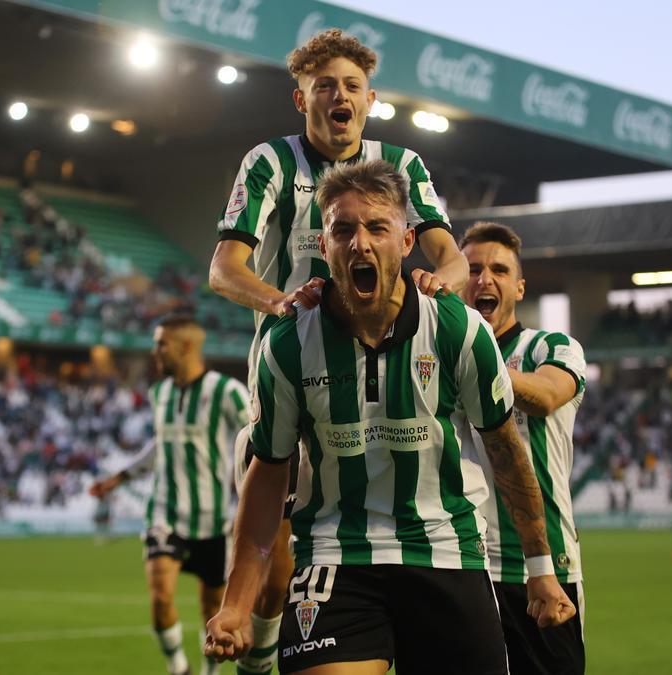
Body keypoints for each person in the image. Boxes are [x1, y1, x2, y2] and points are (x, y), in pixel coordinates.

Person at [204, 160, 574, 675]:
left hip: (445, 552)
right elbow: (268, 473)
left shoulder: (458, 330)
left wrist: (540, 568)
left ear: (405, 242)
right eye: (342, 229)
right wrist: (236, 604)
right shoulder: (287, 345)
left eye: (377, 228)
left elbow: (505, 448)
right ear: (323, 244)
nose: (360, 243)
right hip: (336, 554)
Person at [209, 28, 469, 675]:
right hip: (299, 384)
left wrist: (442, 285)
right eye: (324, 85)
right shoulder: (271, 162)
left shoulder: (403, 167)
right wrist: (280, 304)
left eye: (350, 85)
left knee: (401, 538)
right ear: (302, 99)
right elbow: (224, 268)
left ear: (371, 98)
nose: (338, 95)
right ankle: (247, 654)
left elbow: (452, 259)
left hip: (394, 384)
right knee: (278, 568)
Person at [459, 221, 588, 675]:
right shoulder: (433, 355)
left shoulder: (550, 346)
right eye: (471, 269)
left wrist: (476, 362)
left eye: (498, 269)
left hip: (545, 568)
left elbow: (547, 395)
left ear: (519, 286)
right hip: (462, 568)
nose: (483, 279)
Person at [90, 315, 249, 675]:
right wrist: (119, 477)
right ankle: (179, 669)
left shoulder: (226, 391)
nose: (155, 351)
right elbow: (160, 444)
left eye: (161, 343)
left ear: (187, 346)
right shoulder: (159, 393)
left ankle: (209, 673)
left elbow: (258, 434)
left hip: (215, 519)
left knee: (213, 610)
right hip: (165, 514)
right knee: (161, 596)